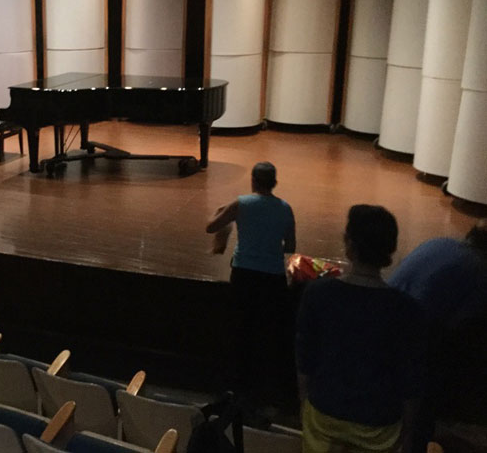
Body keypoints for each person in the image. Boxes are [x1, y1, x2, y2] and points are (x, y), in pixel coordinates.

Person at [297, 205, 426, 453]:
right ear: (390, 250)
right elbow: (411, 381)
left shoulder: (318, 294)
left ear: (349, 245)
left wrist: (305, 404)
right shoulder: (408, 310)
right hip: (378, 424)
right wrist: (409, 434)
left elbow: (305, 359)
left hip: (324, 414)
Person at [388, 219, 487, 451]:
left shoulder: (438, 244)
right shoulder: (480, 272)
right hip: (409, 355)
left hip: (384, 332)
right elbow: (462, 333)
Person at [206, 161, 296, 407]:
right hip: (273, 277)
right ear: (275, 183)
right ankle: (264, 386)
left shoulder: (241, 204)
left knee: (239, 326)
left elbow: (210, 227)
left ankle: (235, 384)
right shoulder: (285, 208)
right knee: (266, 330)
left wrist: (222, 213)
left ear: (253, 181)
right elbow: (290, 246)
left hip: (244, 274)